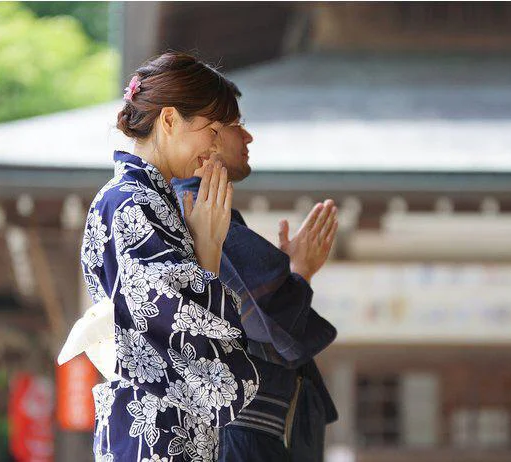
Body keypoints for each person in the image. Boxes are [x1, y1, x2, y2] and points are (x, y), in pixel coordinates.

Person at [78, 52, 260, 462]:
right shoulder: (130, 202)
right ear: (170, 120)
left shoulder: (146, 200)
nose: (216, 146)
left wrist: (204, 250)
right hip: (152, 431)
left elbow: (181, 314)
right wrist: (208, 248)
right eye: (212, 130)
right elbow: (171, 326)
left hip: (164, 427)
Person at [172, 91, 339, 461]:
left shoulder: (192, 207)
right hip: (244, 432)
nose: (248, 137)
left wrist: (290, 271)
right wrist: (300, 272)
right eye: (236, 126)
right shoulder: (198, 209)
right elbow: (270, 321)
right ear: (206, 137)